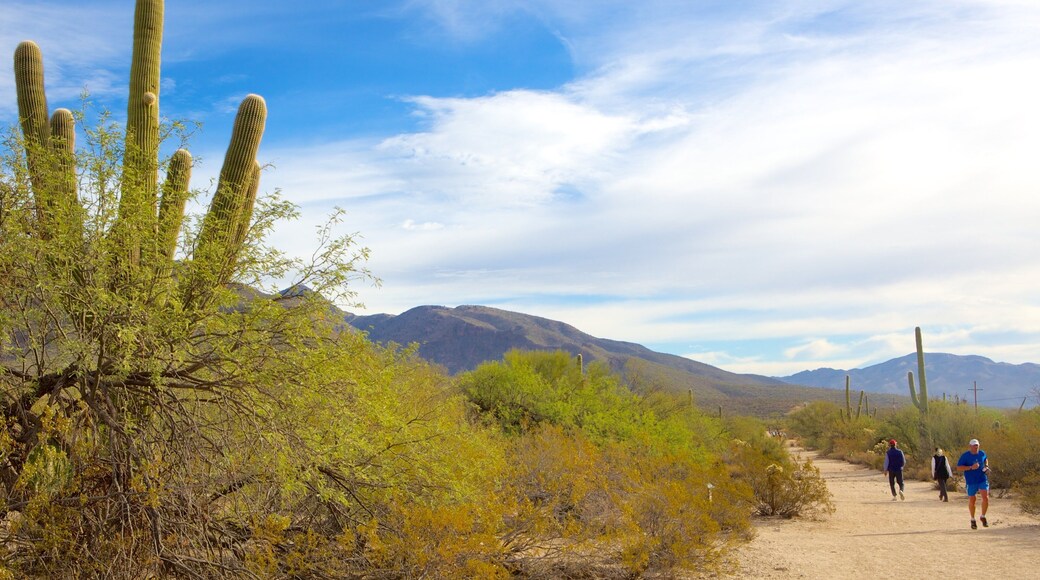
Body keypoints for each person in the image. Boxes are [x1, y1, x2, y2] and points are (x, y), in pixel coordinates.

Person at [956, 438, 990, 529]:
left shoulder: (982, 453)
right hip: (971, 481)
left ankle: (983, 516)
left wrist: (986, 466)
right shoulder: (965, 456)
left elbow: (985, 459)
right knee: (972, 500)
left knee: (985, 497)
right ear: (970, 446)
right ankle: (972, 519)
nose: (976, 447)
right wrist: (971, 467)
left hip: (982, 479)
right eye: (974, 446)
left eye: (977, 446)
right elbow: (959, 467)